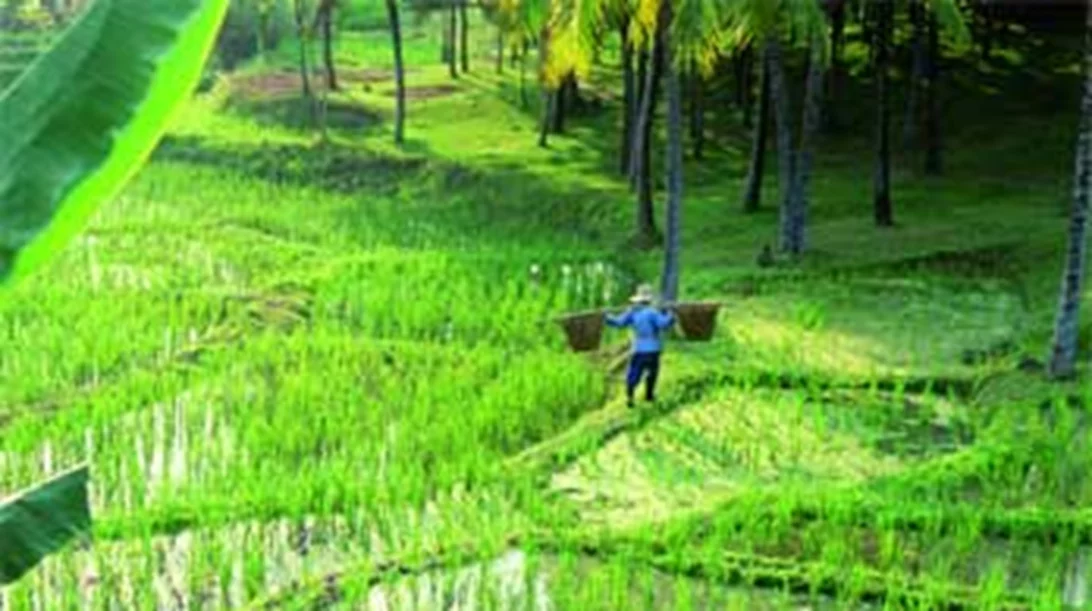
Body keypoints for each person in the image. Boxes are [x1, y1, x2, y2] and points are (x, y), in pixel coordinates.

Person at [605, 284, 676, 407]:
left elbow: (618, 322)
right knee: (652, 373)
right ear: (648, 301)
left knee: (634, 373)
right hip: (653, 349)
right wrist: (671, 315)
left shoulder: (632, 313)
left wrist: (606, 318)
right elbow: (664, 324)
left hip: (638, 349)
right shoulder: (652, 313)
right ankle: (649, 396)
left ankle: (630, 397)